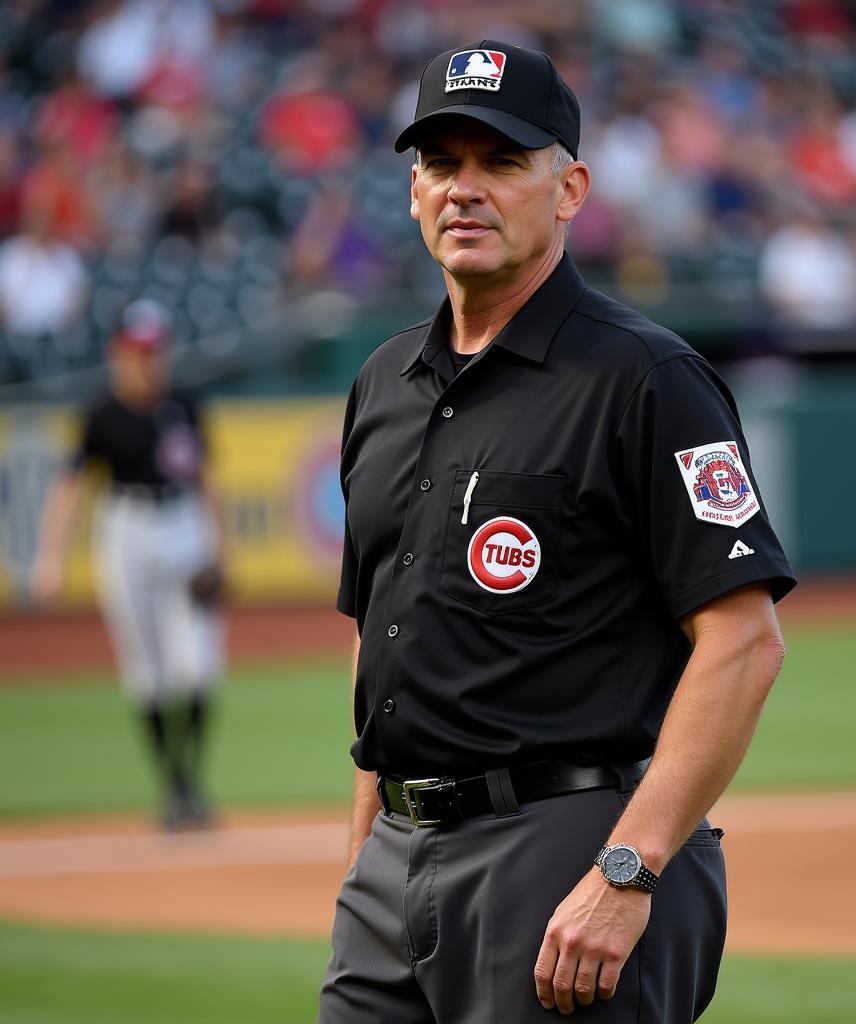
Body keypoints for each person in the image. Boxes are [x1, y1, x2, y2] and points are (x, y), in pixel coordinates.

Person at [321, 41, 796, 1023]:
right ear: (411, 188)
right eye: (440, 162)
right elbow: (383, 631)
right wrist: (367, 843)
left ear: (569, 188)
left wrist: (628, 870)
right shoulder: (381, 385)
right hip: (394, 866)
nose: (465, 188)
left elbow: (744, 641)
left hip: (570, 843)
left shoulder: (648, 378)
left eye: (500, 161)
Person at [31, 299, 226, 830]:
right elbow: (70, 486)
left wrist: (219, 550)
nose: (147, 361)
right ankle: (175, 784)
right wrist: (51, 557)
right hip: (125, 529)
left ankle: (189, 780)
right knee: (147, 667)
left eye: (154, 351)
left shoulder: (183, 402)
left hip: (183, 524)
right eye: (138, 352)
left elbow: (207, 477)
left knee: (200, 663)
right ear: (118, 353)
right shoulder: (101, 412)